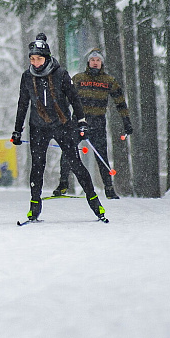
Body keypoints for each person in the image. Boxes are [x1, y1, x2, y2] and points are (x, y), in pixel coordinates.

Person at [11, 33, 107, 223]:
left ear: (46, 58)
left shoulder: (60, 74)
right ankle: (34, 206)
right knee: (37, 166)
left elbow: (74, 99)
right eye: (32, 59)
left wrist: (81, 122)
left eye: (39, 59)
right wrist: (17, 130)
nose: (35, 63)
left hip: (62, 125)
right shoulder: (27, 76)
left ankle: (95, 202)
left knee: (75, 163)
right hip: (38, 127)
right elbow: (23, 104)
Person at [52, 48, 133, 199]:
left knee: (101, 156)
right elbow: (65, 100)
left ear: (102, 63)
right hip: (78, 121)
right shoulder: (78, 79)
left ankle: (109, 188)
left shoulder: (109, 81)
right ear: (88, 62)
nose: (95, 63)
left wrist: (126, 122)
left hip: (98, 123)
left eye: (98, 60)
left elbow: (120, 103)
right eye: (92, 60)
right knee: (68, 152)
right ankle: (63, 184)